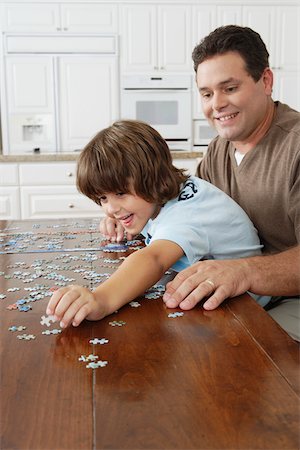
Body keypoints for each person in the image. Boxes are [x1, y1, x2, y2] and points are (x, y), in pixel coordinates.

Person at [100, 26, 300, 341]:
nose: (216, 104)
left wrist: (244, 271)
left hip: (290, 300)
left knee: (249, 361)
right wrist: (126, 210)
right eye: (206, 93)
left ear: (266, 81)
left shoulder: (295, 147)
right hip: (244, 295)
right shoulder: (219, 148)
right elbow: (187, 210)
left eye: (229, 88)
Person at [46, 119, 269, 328]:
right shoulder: (166, 194)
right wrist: (124, 216)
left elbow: (154, 260)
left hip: (247, 310)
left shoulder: (187, 214)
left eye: (120, 193)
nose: (111, 208)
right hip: (216, 298)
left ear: (153, 179)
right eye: (103, 198)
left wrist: (100, 300)